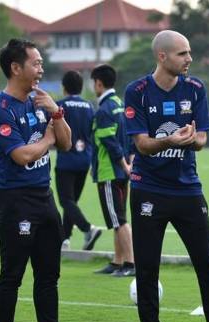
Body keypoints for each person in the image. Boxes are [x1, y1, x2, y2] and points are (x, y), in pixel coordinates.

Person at [124, 30, 209, 322]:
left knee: (206, 264)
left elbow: (201, 138)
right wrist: (169, 141)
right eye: (183, 54)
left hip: (187, 190)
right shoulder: (138, 91)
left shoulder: (195, 88)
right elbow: (141, 143)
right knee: (146, 267)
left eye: (189, 53)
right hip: (147, 189)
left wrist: (190, 139)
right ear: (162, 56)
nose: (189, 59)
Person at [0, 38, 87, 322]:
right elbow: (22, 155)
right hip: (16, 201)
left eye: (42, 63)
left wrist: (56, 112)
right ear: (16, 68)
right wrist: (47, 137)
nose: (41, 69)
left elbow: (67, 144)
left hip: (45, 198)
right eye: (36, 63)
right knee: (12, 275)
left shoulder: (39, 103)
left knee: (48, 275)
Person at [90, 64, 135, 277]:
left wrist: (123, 164)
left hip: (110, 172)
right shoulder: (120, 104)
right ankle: (117, 262)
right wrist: (130, 162)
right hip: (122, 171)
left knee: (119, 220)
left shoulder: (104, 110)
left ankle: (130, 264)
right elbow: (129, 136)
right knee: (118, 219)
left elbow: (109, 140)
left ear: (99, 83)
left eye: (93, 83)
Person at [55, 70, 102, 251]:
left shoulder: (59, 106)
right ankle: (64, 239)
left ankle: (88, 229)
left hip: (66, 160)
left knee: (66, 200)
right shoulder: (89, 106)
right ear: (81, 87)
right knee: (72, 201)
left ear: (64, 87)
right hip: (84, 160)